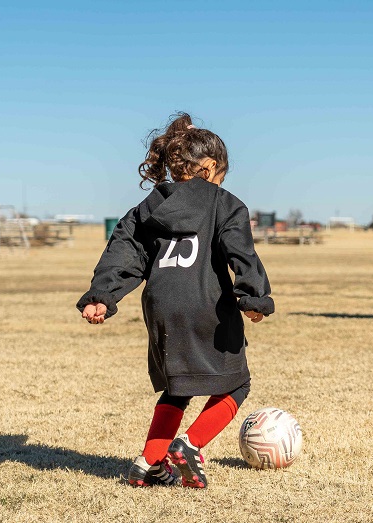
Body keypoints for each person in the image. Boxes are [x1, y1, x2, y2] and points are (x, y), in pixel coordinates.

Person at [76, 113, 274, 489]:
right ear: (211, 167)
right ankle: (189, 446)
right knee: (236, 384)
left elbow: (124, 252)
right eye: (221, 176)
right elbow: (241, 251)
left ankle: (147, 464)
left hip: (162, 309)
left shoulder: (147, 209)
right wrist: (253, 297)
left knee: (178, 385)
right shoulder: (224, 203)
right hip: (207, 305)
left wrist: (102, 295)